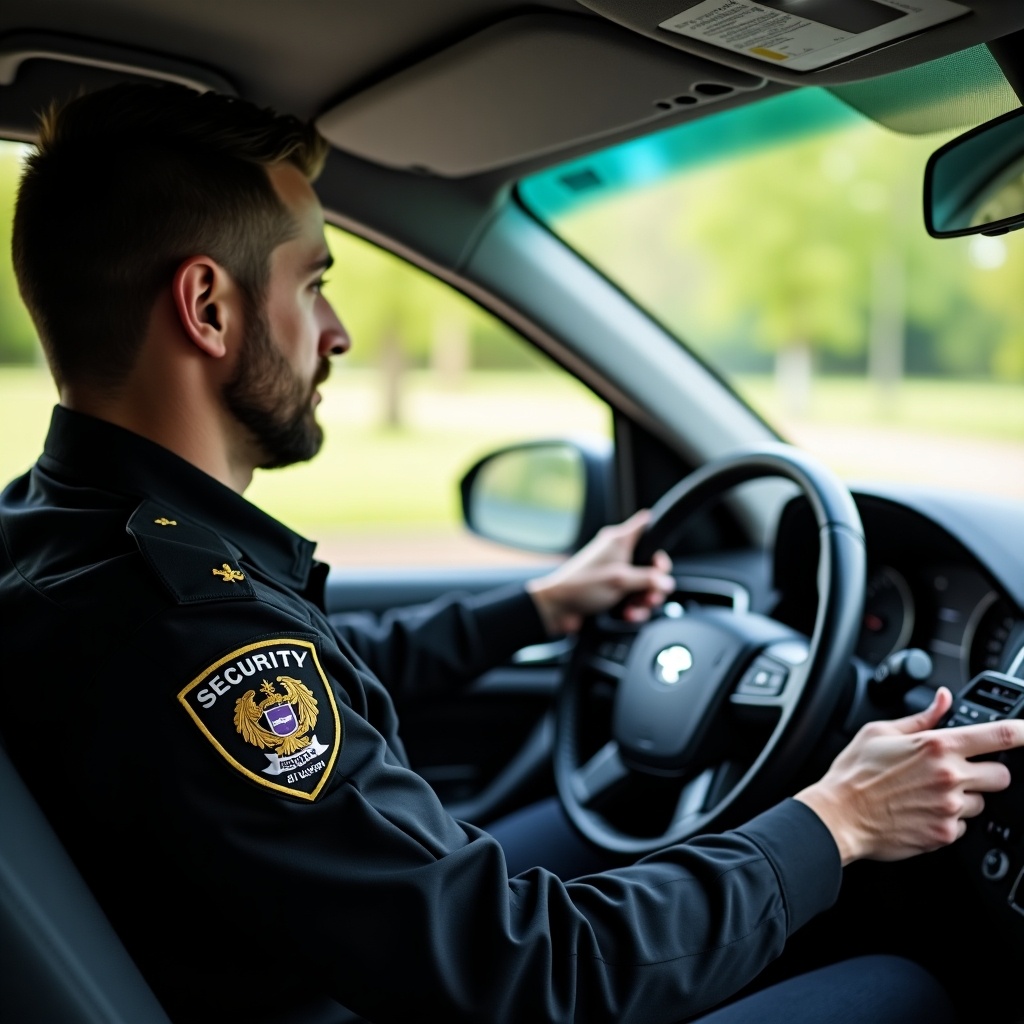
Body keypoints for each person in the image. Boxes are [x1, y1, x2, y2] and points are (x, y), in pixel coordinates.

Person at [0, 82, 1019, 1024]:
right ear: (209, 308)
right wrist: (835, 821)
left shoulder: (59, 532)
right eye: (312, 283)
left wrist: (539, 606)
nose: (338, 332)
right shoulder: (185, 626)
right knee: (902, 987)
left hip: (306, 963)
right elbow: (528, 972)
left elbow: (320, 694)